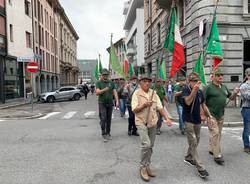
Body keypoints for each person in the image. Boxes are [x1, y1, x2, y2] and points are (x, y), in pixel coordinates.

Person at [131, 74, 172, 182]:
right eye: (144, 81)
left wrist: (166, 118)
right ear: (140, 82)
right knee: (146, 144)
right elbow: (134, 109)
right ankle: (143, 167)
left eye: (148, 81)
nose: (147, 83)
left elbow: (160, 107)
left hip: (152, 123)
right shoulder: (136, 93)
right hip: (141, 122)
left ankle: (147, 165)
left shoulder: (154, 94)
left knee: (151, 146)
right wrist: (144, 105)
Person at [204, 68, 240, 164]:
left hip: (221, 115)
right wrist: (203, 114)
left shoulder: (224, 87)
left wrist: (235, 92)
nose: (220, 77)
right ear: (213, 77)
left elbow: (231, 98)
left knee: (218, 134)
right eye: (218, 75)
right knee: (215, 133)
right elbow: (202, 102)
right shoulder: (208, 87)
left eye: (221, 75)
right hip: (211, 115)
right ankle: (217, 155)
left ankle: (212, 149)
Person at [182, 72, 211, 179]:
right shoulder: (185, 89)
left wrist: (209, 116)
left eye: (196, 81)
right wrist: (193, 91)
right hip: (188, 119)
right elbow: (188, 102)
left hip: (197, 119)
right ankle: (200, 167)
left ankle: (188, 157)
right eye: (192, 81)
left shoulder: (200, 91)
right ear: (189, 81)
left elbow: (203, 104)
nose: (194, 83)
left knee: (197, 139)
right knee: (193, 141)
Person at [96, 68, 119, 142]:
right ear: (101, 75)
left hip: (110, 103)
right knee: (103, 118)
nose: (105, 76)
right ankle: (103, 133)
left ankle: (108, 133)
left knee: (109, 119)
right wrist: (104, 90)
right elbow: (97, 92)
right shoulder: (98, 82)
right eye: (104, 75)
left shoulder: (111, 82)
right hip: (102, 103)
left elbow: (114, 91)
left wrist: (117, 101)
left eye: (106, 75)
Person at [239, 68, 250, 154]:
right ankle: (246, 146)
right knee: (247, 128)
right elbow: (248, 97)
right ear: (247, 76)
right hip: (247, 109)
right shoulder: (243, 86)